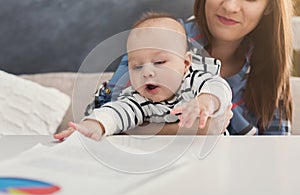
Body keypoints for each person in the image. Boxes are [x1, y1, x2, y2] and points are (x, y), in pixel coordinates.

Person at [84, 0, 294, 135]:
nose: (230, 6)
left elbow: (277, 152)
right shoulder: (159, 38)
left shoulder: (268, 65)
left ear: (269, 6)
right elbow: (103, 114)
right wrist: (189, 131)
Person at [54, 13, 232, 141]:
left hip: (215, 155)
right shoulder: (139, 99)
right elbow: (116, 113)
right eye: (137, 66)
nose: (146, 72)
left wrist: (206, 101)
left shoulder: (194, 81)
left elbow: (219, 87)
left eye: (160, 62)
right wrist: (93, 126)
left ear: (185, 64)